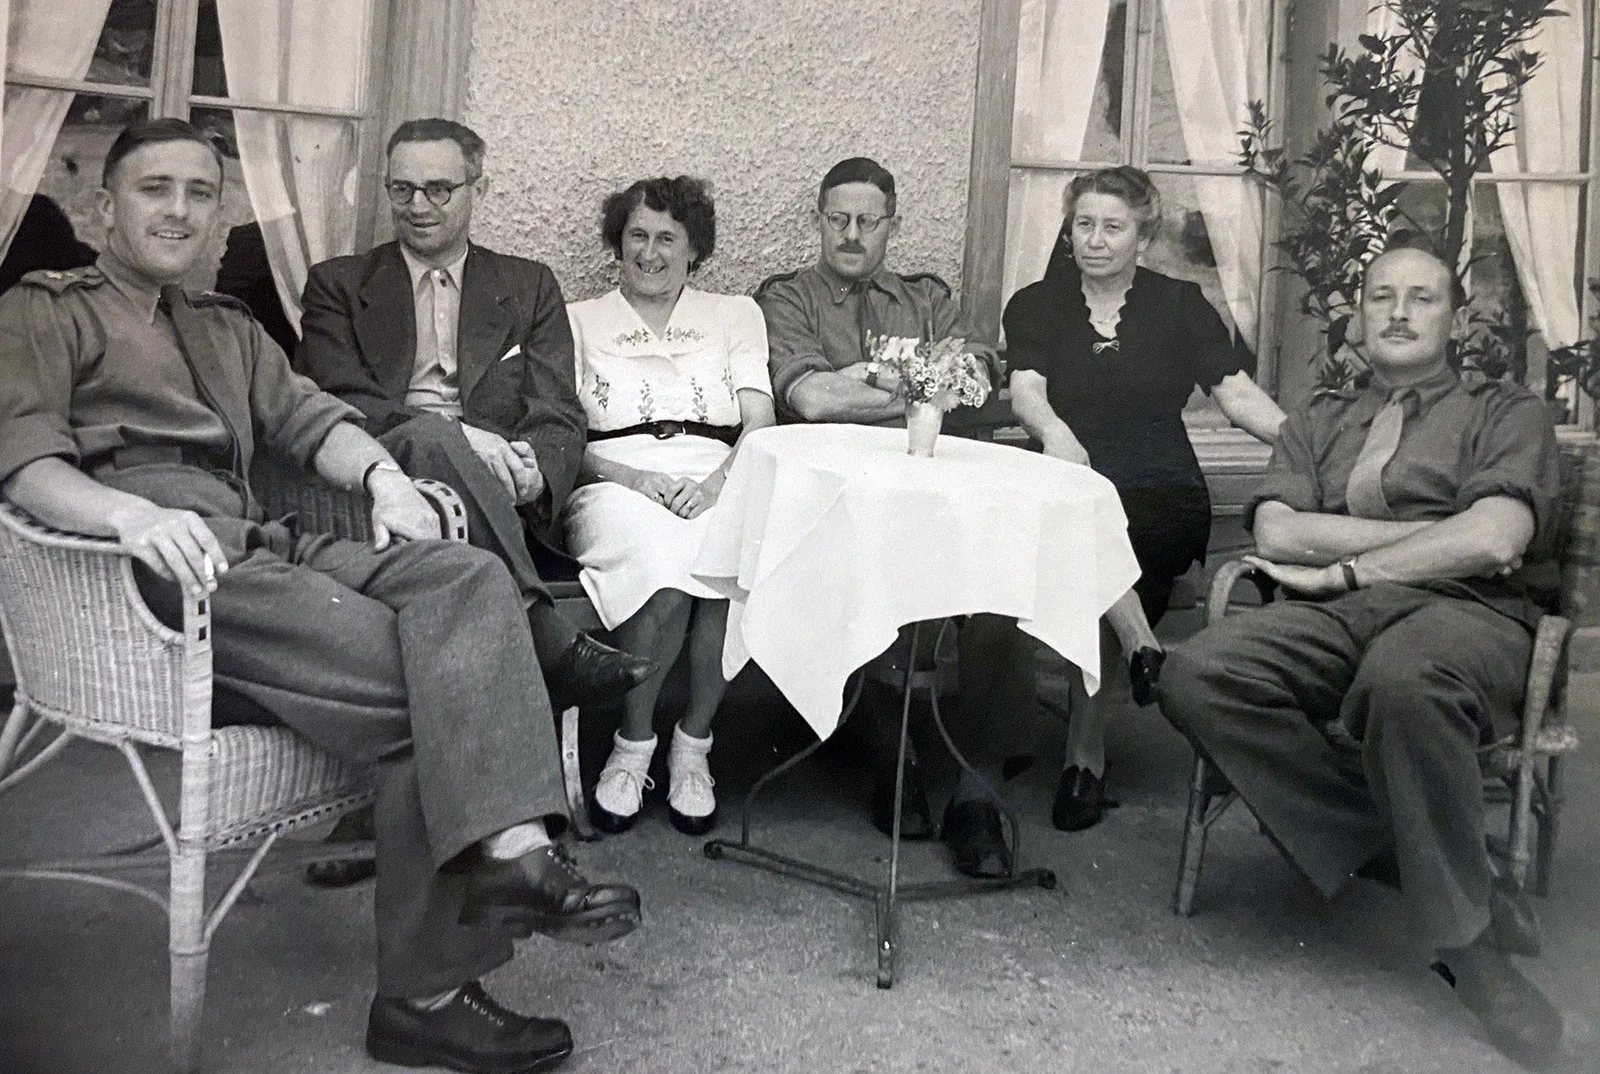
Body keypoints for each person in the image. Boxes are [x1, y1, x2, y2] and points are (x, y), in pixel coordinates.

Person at [0, 118, 642, 1074]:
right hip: (155, 569)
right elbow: (22, 462)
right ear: (103, 207)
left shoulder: (225, 325)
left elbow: (314, 420)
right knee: (447, 686)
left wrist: (385, 479)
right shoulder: (45, 312)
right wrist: (124, 520)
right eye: (154, 189)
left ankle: (498, 865)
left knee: (462, 579)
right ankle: (450, 958)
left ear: (220, 215)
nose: (180, 209)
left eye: (201, 192)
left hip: (260, 547)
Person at [1158, 240, 1564, 1069]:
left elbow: (1495, 542)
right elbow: (1278, 531)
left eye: (1421, 298)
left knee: (1404, 684)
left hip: (1465, 614)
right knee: (1194, 673)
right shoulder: (1320, 418)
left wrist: (1350, 562)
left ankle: (1472, 956)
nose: (1399, 313)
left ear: (1454, 318)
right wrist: (1431, 538)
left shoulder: (1507, 412)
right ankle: (1426, 862)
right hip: (1334, 612)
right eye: (1382, 297)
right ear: (1358, 316)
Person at [295, 118, 653, 726]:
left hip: (502, 494)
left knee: (452, 440)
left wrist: (536, 471)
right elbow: (341, 396)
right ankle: (546, 638)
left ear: (477, 191)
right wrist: (464, 438)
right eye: (402, 189)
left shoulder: (527, 284)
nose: (417, 206)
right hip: (385, 477)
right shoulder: (339, 284)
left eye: (439, 189)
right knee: (435, 432)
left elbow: (557, 409)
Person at [756, 156, 1030, 880]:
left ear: (891, 227)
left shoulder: (928, 299)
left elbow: (974, 381)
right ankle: (894, 759)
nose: (850, 234)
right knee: (877, 574)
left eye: (866, 221)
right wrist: (922, 389)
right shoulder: (787, 299)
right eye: (836, 219)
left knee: (1005, 589)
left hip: (939, 490)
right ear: (818, 221)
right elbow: (810, 400)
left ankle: (977, 795)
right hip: (838, 501)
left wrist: (868, 380)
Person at [1003, 166, 1285, 831]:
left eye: (1112, 226)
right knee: (1084, 520)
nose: (1095, 240)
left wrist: (1304, 442)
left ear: (1144, 235)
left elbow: (1235, 392)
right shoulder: (1037, 303)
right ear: (1068, 231)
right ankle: (1106, 715)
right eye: (1083, 225)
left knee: (1101, 547)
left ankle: (1093, 735)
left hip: (1160, 481)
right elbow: (1027, 391)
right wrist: (1055, 435)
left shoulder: (1180, 305)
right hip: (1074, 467)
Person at [564, 176, 776, 837]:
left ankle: (693, 747)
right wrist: (631, 477)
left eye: (666, 238)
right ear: (616, 244)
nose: (650, 253)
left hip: (719, 473)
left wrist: (717, 489)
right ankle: (632, 750)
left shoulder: (734, 313)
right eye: (636, 236)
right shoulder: (578, 319)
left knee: (721, 562)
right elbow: (564, 434)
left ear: (694, 249)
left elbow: (760, 420)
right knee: (661, 566)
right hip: (611, 481)